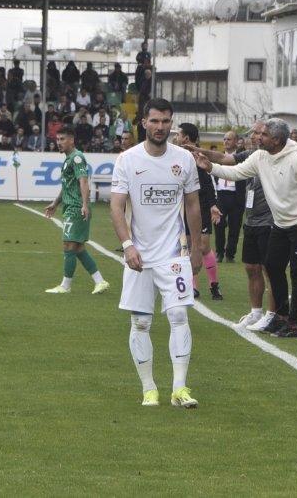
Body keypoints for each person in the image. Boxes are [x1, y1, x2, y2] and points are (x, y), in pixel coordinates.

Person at [194, 118, 297, 338]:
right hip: (280, 223)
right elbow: (237, 172)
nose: (258, 137)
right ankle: (280, 317)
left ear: (276, 139)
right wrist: (210, 167)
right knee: (273, 268)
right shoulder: (260, 156)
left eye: (263, 134)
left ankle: (294, 323)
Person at [110, 98, 202, 408]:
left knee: (179, 314)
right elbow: (116, 206)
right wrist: (127, 246)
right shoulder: (127, 160)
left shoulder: (184, 160)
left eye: (166, 122)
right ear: (144, 123)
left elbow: (192, 204)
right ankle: (149, 388)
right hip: (139, 255)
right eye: (155, 121)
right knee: (140, 323)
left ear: (171, 123)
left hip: (174, 253)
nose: (161, 127)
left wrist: (197, 245)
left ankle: (180, 388)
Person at [43, 125, 109, 295]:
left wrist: (85, 205)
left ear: (71, 140)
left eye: (62, 139)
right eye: (57, 140)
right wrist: (55, 203)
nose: (59, 143)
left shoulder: (77, 157)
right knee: (78, 248)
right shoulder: (68, 159)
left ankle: (65, 286)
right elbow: (67, 186)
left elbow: (83, 181)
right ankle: (100, 282)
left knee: (68, 244)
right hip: (70, 207)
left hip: (76, 208)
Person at [174, 123, 223, 300]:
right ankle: (192, 287)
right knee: (187, 245)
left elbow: (208, 183)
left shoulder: (197, 156)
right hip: (182, 207)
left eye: (179, 134)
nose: (177, 137)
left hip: (200, 206)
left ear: (186, 138)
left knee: (202, 246)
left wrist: (212, 205)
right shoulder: (175, 155)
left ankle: (214, 284)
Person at [213, 131, 246, 262]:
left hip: (236, 195)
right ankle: (219, 253)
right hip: (221, 194)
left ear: (236, 141)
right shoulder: (218, 157)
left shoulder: (242, 158)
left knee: (235, 227)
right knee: (219, 225)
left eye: (229, 139)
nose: (226, 141)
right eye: (224, 139)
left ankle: (230, 254)